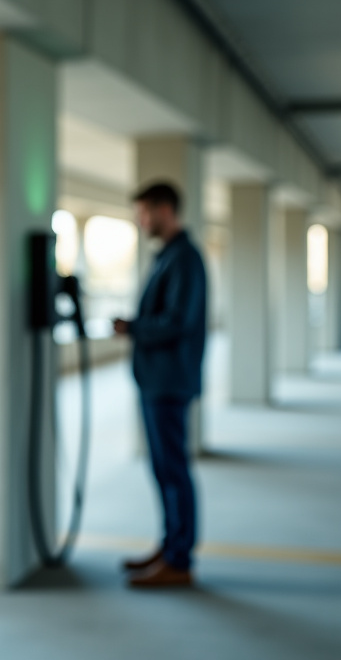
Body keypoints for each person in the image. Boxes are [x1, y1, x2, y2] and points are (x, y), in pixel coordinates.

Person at [112, 181, 207, 588]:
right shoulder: (169, 256)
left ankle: (179, 558)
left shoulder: (184, 258)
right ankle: (170, 547)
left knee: (173, 470)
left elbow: (177, 321)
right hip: (158, 380)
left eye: (144, 212)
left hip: (169, 381)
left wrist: (133, 328)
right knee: (164, 469)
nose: (140, 221)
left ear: (165, 209)